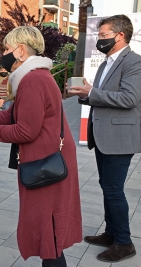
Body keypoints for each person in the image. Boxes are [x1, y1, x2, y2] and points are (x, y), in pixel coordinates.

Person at [0, 26, 82, 267]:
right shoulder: (38, 76)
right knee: (48, 227)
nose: (4, 54)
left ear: (21, 51)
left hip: (45, 162)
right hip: (50, 157)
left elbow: (24, 131)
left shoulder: (31, 80)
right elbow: (13, 115)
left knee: (47, 229)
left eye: (7, 49)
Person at [69, 15, 141, 263]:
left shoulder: (134, 62)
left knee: (113, 190)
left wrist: (93, 92)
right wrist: (84, 95)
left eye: (103, 35)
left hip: (120, 136)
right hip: (102, 136)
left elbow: (129, 99)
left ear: (120, 35)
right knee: (107, 187)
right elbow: (99, 95)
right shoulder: (105, 63)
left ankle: (124, 242)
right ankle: (111, 233)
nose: (99, 40)